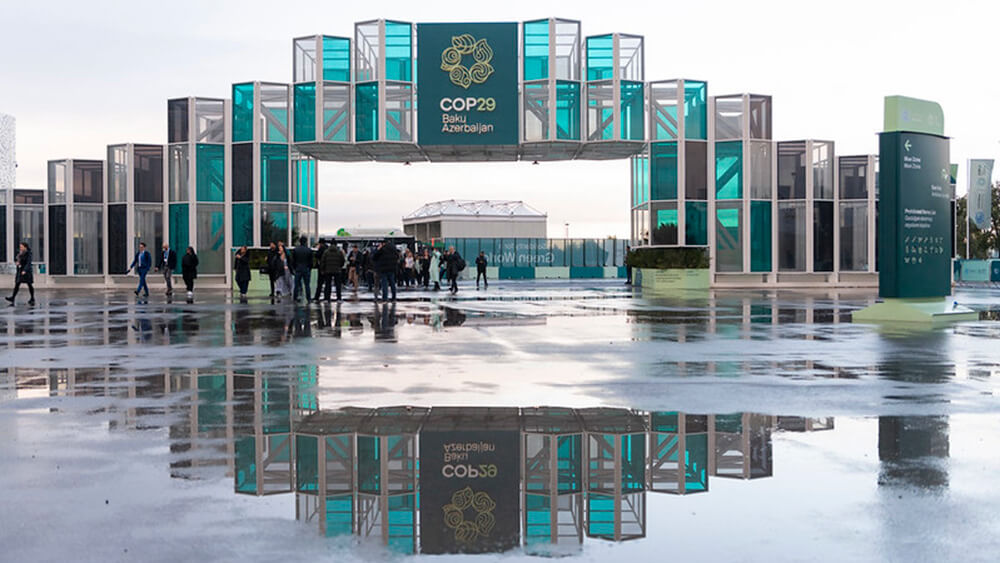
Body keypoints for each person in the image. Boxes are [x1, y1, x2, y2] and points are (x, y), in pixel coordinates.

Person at [290, 236, 313, 304]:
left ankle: (295, 298)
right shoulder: (309, 250)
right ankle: (308, 298)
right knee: (307, 285)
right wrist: (309, 268)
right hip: (306, 269)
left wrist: (294, 268)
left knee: (296, 285)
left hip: (298, 269)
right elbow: (311, 262)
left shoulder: (296, 250)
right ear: (306, 242)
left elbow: (293, 261)